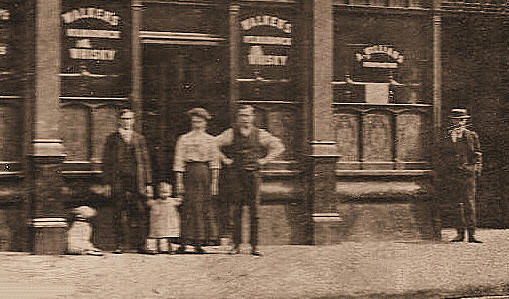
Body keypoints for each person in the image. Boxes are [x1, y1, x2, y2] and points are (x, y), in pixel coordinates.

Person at [216, 105, 285, 256]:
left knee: (255, 211)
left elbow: (279, 147)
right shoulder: (231, 133)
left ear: (253, 117)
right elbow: (213, 144)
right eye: (241, 115)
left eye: (247, 115)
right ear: (237, 118)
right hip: (236, 176)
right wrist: (224, 159)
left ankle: (255, 246)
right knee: (237, 210)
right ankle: (236, 245)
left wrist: (265, 160)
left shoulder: (260, 134)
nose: (244, 119)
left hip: (253, 175)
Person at [102, 108, 153, 254]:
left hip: (137, 180)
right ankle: (120, 245)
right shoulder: (111, 139)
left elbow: (146, 162)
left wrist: (148, 183)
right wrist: (106, 183)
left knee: (140, 211)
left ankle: (141, 244)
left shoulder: (139, 139)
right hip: (118, 180)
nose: (127, 122)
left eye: (130, 119)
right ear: (119, 121)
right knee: (119, 211)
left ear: (134, 121)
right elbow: (106, 162)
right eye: (124, 119)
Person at [174, 108, 220, 254]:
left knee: (201, 208)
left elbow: (215, 163)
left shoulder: (211, 140)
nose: (197, 125)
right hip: (189, 173)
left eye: (200, 122)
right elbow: (179, 161)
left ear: (205, 123)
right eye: (194, 122)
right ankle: (184, 242)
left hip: (204, 174)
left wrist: (214, 183)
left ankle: (199, 242)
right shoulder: (184, 139)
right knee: (187, 207)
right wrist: (179, 182)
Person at [438, 108, 483, 243]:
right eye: (457, 120)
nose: (460, 123)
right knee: (456, 204)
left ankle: (472, 234)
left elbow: (478, 154)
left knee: (469, 203)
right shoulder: (447, 135)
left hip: (468, 174)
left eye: (462, 120)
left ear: (465, 121)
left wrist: (475, 169)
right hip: (453, 173)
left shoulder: (471, 135)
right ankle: (460, 233)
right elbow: (442, 154)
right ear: (452, 120)